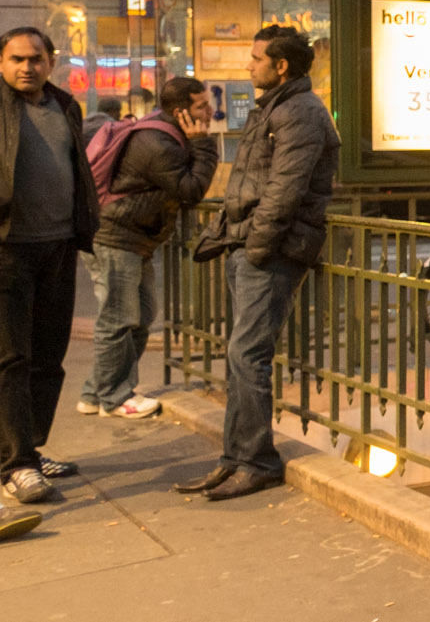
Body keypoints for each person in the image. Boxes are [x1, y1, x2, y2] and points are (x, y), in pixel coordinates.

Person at [174, 26, 338, 502]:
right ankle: (235, 458)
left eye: (255, 58)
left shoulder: (301, 112)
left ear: (280, 65)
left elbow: (284, 191)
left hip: (269, 249)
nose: (248, 65)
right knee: (239, 356)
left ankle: (258, 460)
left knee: (248, 356)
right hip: (249, 244)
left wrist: (258, 247)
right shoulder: (276, 107)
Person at [78, 77, 217, 420]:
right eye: (201, 105)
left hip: (133, 238)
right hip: (115, 237)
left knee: (140, 315)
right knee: (118, 318)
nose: (209, 110)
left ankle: (96, 392)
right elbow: (191, 189)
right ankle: (115, 397)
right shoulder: (156, 142)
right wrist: (205, 145)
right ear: (180, 111)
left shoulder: (164, 133)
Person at [0, 27, 100, 505]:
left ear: (50, 61)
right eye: (17, 59)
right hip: (7, 249)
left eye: (36, 59)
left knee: (47, 359)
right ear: (1, 63)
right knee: (10, 359)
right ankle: (15, 464)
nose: (27, 67)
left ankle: (31, 450)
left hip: (58, 246)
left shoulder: (64, 105)